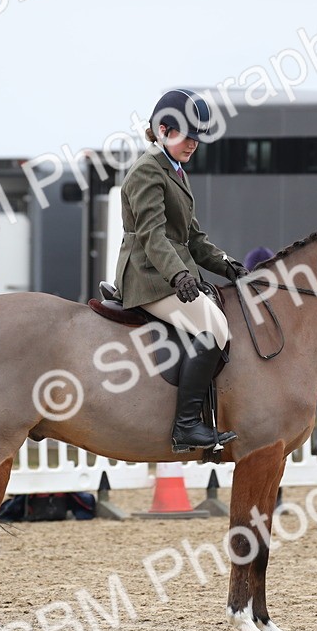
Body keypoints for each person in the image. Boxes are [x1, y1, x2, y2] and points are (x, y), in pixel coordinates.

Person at [114, 88, 246, 453]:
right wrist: (178, 275)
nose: (193, 144)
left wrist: (226, 265)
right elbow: (152, 235)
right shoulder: (146, 171)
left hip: (168, 270)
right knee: (213, 326)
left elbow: (191, 236)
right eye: (188, 136)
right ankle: (186, 426)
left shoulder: (174, 171)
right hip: (147, 275)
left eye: (197, 138)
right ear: (164, 130)